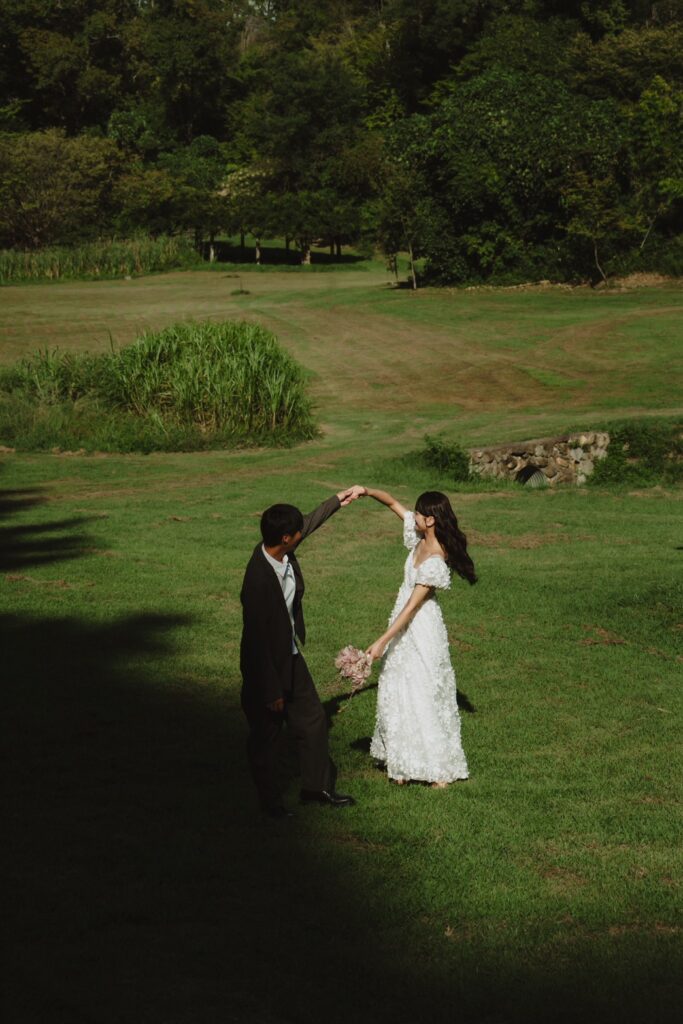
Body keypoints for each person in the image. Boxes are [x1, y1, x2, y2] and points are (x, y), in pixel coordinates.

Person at [240, 486, 364, 817]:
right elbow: (255, 642)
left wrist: (339, 500)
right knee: (266, 737)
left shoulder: (281, 549)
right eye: (296, 533)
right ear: (285, 538)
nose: (301, 533)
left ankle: (315, 787)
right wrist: (271, 690)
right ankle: (270, 804)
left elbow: (308, 523)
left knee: (312, 719)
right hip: (264, 668)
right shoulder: (257, 581)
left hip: (290, 657)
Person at [363, 488, 477, 787]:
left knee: (421, 690)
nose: (412, 516)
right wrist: (365, 491)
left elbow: (412, 607)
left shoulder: (436, 560)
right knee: (396, 685)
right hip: (401, 619)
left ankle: (436, 769)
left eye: (418, 513)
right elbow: (392, 502)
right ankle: (402, 761)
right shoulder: (418, 537)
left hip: (420, 627)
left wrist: (382, 640)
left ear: (430, 520)